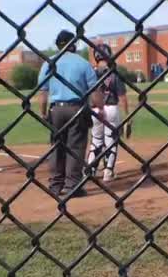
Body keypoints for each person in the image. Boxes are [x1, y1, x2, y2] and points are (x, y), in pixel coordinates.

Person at [37, 30, 104, 198]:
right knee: (76, 147)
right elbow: (94, 90)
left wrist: (43, 112)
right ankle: (72, 186)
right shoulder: (82, 63)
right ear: (72, 44)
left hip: (56, 110)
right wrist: (100, 108)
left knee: (57, 146)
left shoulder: (48, 63)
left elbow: (43, 92)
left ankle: (55, 185)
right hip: (77, 109)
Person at [86, 44, 129, 182]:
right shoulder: (114, 72)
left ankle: (90, 171)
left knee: (96, 140)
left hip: (95, 109)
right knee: (111, 140)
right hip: (111, 108)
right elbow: (122, 96)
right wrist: (127, 116)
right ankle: (108, 172)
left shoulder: (90, 72)